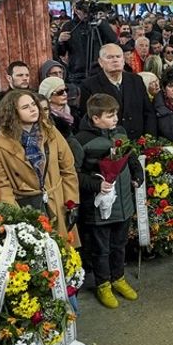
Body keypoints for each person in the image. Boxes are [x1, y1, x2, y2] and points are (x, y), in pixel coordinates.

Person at [71, 93, 142, 308]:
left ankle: (118, 278)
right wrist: (96, 184)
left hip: (123, 203)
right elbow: (74, 174)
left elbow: (130, 156)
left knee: (120, 244)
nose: (115, 119)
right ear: (95, 118)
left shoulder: (119, 132)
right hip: (98, 208)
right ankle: (103, 284)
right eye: (110, 115)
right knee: (101, 249)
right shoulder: (80, 141)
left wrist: (137, 174)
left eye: (116, 114)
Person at [0, 89, 80, 246]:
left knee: (64, 256)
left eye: (33, 104)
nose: (33, 109)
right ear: (12, 113)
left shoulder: (50, 130)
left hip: (57, 203)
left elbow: (68, 169)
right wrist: (16, 218)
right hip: (26, 207)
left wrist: (71, 202)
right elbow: (2, 185)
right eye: (25, 107)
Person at [80, 44, 156, 139]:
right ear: (100, 62)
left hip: (139, 141)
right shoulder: (89, 85)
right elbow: (89, 119)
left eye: (118, 56)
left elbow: (148, 112)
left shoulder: (136, 80)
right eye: (110, 57)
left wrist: (149, 139)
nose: (115, 60)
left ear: (123, 61)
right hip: (108, 144)